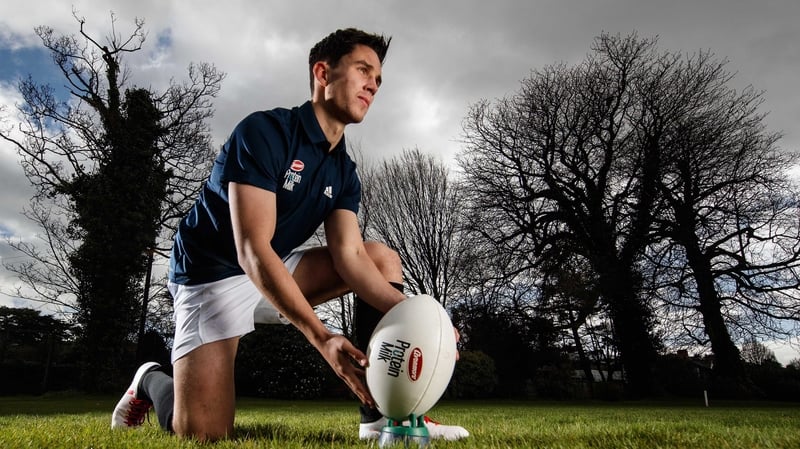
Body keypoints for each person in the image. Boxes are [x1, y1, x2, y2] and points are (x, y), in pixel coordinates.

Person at [110, 28, 469, 442]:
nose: (373, 84)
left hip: (270, 269)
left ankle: (379, 418)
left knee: (380, 258)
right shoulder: (263, 132)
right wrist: (322, 337)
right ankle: (151, 379)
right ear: (323, 72)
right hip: (211, 276)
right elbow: (251, 249)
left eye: (379, 79)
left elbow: (350, 256)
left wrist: (427, 319)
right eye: (363, 70)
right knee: (204, 434)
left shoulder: (344, 172)